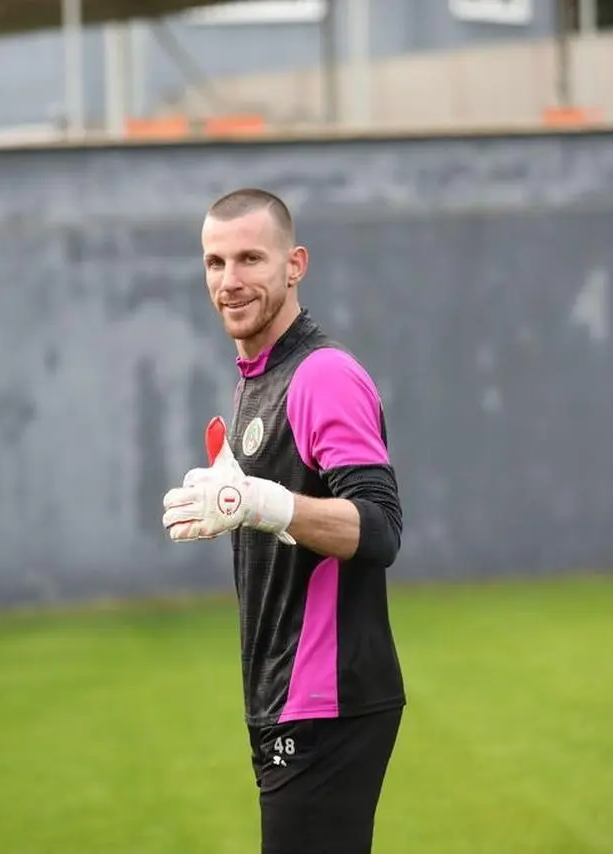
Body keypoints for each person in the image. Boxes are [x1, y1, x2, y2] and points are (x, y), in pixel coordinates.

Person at [161, 188, 406, 853]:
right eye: (215, 262)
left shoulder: (322, 375)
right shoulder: (257, 378)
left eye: (250, 259)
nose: (229, 281)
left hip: (326, 700)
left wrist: (265, 504)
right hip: (286, 698)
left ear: (294, 265)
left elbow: (380, 526)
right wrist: (240, 500)